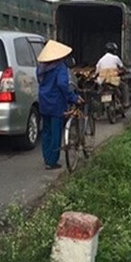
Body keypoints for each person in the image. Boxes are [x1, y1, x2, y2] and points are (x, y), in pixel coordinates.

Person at [37, 40, 82, 170]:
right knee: (56, 131)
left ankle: (47, 158)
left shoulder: (41, 67)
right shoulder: (60, 67)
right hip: (56, 102)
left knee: (46, 131)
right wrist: (72, 97)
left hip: (44, 101)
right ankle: (52, 162)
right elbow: (63, 85)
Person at [96, 42, 130, 109]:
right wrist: (126, 71)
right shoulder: (116, 58)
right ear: (114, 51)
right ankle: (126, 103)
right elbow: (122, 67)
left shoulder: (101, 60)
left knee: (99, 93)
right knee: (125, 87)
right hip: (113, 81)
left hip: (103, 81)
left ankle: (99, 110)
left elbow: (97, 71)